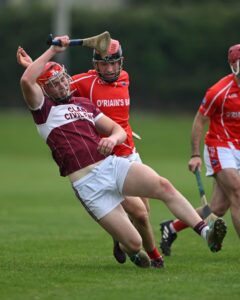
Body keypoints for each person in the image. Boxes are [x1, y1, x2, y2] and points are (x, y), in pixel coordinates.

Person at [20, 35, 226, 268]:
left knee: (163, 187)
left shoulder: (85, 105)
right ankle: (132, 249)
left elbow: (116, 128)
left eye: (62, 80)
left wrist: (114, 138)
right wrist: (52, 52)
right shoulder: (43, 110)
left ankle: (205, 231)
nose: (61, 85)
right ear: (45, 89)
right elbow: (28, 81)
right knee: (135, 242)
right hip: (88, 184)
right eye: (53, 84)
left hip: (111, 163)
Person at [17, 37, 162, 268]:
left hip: (126, 147)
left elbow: (119, 117)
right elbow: (52, 82)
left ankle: (124, 239)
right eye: (105, 63)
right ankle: (149, 254)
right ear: (96, 64)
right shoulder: (83, 81)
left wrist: (123, 131)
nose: (110, 68)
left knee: (143, 213)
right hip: (101, 154)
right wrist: (35, 63)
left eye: (114, 63)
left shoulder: (125, 79)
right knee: (137, 212)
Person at [159, 44, 240, 256]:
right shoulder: (218, 91)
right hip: (219, 147)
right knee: (238, 192)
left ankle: (172, 227)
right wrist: (195, 154)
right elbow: (199, 121)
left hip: (238, 147)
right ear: (234, 66)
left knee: (218, 208)